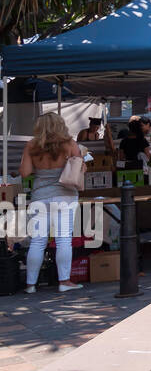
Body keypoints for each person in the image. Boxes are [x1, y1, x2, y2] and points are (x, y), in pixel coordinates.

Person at [19, 113, 87, 293]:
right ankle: (64, 281)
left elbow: (24, 173)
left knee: (37, 242)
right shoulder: (69, 144)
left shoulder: (32, 146)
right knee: (64, 239)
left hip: (40, 196)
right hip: (65, 195)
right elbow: (82, 168)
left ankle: (30, 285)